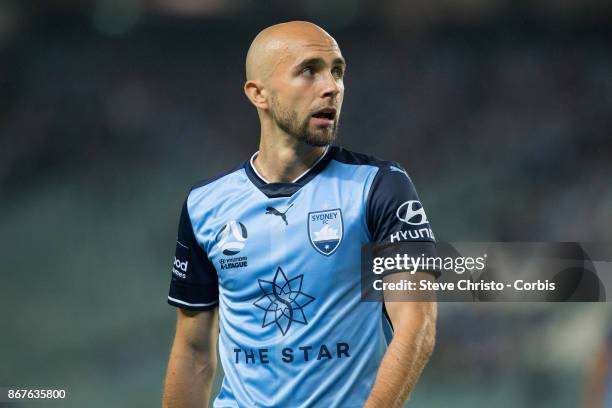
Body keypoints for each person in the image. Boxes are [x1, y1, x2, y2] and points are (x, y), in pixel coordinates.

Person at [162, 21, 437, 408]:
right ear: (258, 93)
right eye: (309, 70)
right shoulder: (204, 204)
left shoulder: (380, 187)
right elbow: (194, 353)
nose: (332, 87)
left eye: (337, 71)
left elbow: (417, 326)